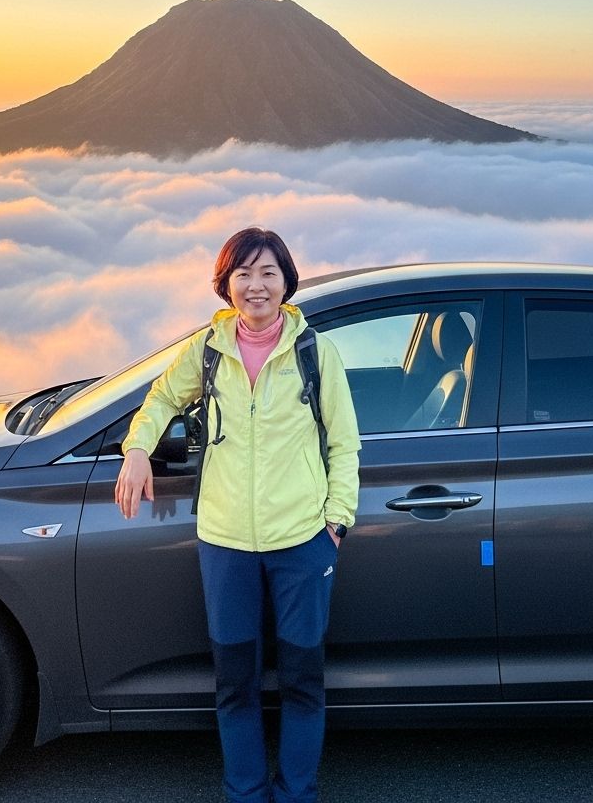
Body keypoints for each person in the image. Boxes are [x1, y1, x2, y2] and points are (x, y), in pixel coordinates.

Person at [115, 227, 360, 803]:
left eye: (268, 272)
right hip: (224, 542)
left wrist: (336, 522)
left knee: (302, 682)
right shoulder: (207, 350)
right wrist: (135, 452)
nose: (256, 286)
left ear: (286, 281)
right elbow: (159, 401)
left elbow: (344, 444)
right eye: (243, 274)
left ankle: (296, 793)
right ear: (225, 284)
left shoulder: (314, 353)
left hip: (302, 539)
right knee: (235, 685)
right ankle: (245, 793)